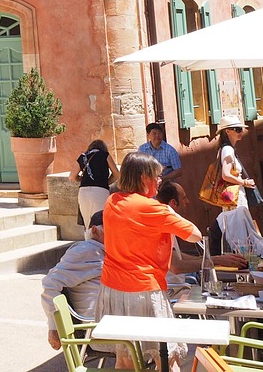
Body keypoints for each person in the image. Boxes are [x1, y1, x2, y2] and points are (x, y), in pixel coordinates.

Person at [99, 152, 202, 371]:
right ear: (143, 177)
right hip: (144, 289)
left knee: (125, 359)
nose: (159, 180)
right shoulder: (155, 209)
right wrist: (168, 217)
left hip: (112, 288)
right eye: (156, 176)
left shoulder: (112, 201)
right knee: (167, 356)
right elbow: (195, 234)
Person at [213, 115, 263, 259]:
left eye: (241, 129)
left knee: (239, 228)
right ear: (227, 132)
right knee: (239, 228)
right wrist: (245, 182)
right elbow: (225, 174)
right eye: (237, 129)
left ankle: (247, 256)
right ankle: (249, 257)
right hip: (235, 195)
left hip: (232, 195)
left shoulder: (227, 149)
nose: (241, 132)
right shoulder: (228, 150)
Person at [43, 211, 106, 350]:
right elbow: (51, 283)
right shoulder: (86, 251)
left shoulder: (105, 251)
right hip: (97, 330)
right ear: (95, 231)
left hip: (107, 325)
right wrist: (54, 327)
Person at [155, 181, 247, 276]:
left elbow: (179, 257)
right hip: (174, 288)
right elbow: (177, 266)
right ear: (174, 203)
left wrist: (213, 259)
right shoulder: (165, 225)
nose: (187, 202)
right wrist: (216, 260)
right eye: (184, 198)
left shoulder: (168, 224)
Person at [74, 139, 119, 224]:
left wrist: (80, 179)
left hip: (84, 191)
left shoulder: (83, 156)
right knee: (101, 222)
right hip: (100, 191)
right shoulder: (105, 155)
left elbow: (72, 177)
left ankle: (88, 237)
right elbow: (116, 174)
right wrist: (107, 182)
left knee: (87, 223)